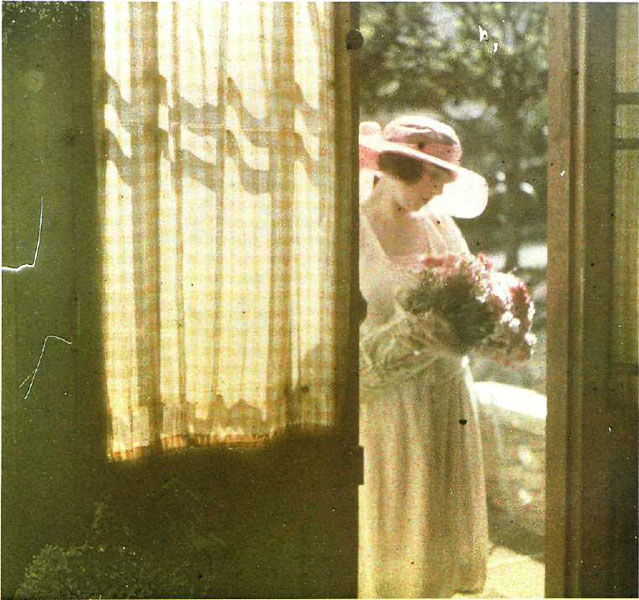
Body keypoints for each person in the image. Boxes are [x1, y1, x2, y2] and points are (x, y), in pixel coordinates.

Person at [358, 115, 490, 598]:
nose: (436, 190)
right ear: (395, 166)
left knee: (439, 524)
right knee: (399, 516)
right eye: (430, 176)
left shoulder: (438, 224)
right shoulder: (353, 227)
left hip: (445, 391)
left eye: (443, 179)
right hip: (392, 397)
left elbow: (474, 295)